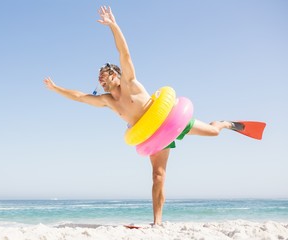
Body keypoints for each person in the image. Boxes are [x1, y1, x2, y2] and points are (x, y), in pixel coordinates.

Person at [44, 6, 238, 225]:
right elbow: (80, 97)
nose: (101, 79)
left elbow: (124, 53)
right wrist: (56, 88)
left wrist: (113, 26)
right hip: (153, 137)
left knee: (213, 132)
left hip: (171, 119)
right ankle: (157, 223)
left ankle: (225, 123)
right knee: (158, 177)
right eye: (99, 77)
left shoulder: (130, 82)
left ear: (116, 74)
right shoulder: (108, 101)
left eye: (104, 74)